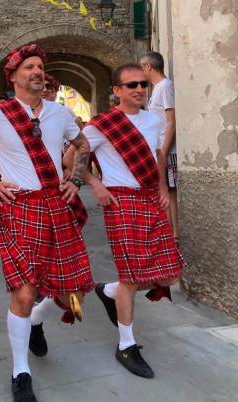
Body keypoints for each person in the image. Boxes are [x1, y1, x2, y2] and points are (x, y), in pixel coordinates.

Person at [0, 44, 94, 402]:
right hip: (18, 209)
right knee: (24, 293)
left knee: (74, 293)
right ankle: (20, 371)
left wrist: (75, 180)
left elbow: (83, 145)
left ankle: (35, 322)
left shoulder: (61, 112)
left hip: (55, 206)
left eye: (40, 67)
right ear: (13, 76)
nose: (37, 71)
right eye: (29, 66)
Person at [84, 63, 185, 379]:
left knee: (167, 273)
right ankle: (126, 344)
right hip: (121, 200)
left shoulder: (153, 120)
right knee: (132, 275)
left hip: (149, 198)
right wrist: (95, 183)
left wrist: (163, 189)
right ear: (116, 91)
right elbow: (71, 159)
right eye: (131, 85)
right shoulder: (102, 125)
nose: (140, 89)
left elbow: (156, 157)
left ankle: (109, 291)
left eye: (143, 84)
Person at [140, 51, 178, 240]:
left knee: (170, 192)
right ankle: (169, 233)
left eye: (142, 68)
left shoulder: (165, 86)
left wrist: (163, 150)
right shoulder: (158, 88)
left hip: (167, 151)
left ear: (148, 66)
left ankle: (174, 235)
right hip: (160, 150)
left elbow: (171, 121)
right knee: (165, 191)